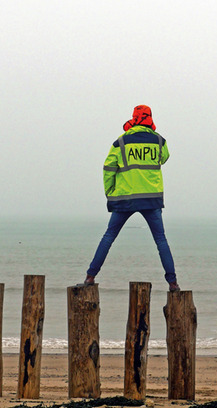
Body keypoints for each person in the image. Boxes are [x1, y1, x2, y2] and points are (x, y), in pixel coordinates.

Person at [84, 105, 180, 291]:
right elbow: (164, 158)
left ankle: (90, 277)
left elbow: (108, 168)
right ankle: (173, 283)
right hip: (151, 199)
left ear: (134, 117)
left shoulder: (121, 142)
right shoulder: (159, 140)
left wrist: (110, 192)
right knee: (161, 240)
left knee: (109, 236)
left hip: (125, 198)